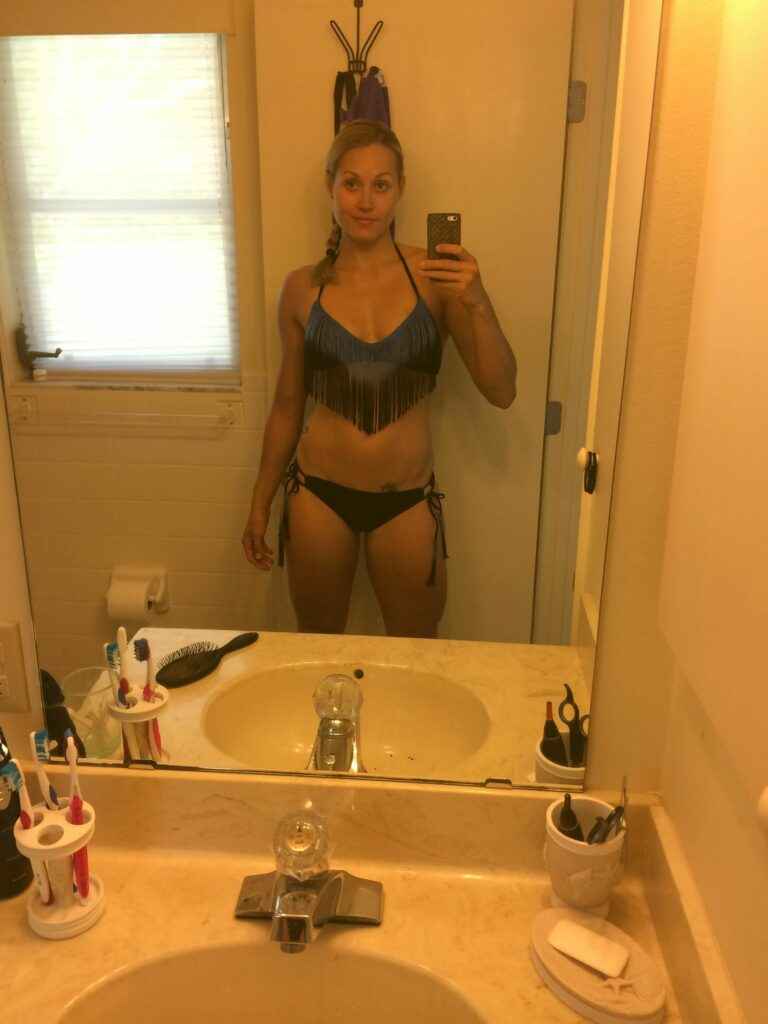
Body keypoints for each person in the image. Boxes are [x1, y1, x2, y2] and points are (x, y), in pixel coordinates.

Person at [242, 119, 516, 638]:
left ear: (400, 190)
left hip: (406, 501)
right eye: (352, 183)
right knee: (319, 650)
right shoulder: (301, 289)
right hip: (318, 495)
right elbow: (287, 407)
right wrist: (259, 503)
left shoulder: (436, 278)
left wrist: (477, 300)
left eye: (381, 185)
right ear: (330, 187)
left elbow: (502, 391)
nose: (366, 201)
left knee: (416, 655)